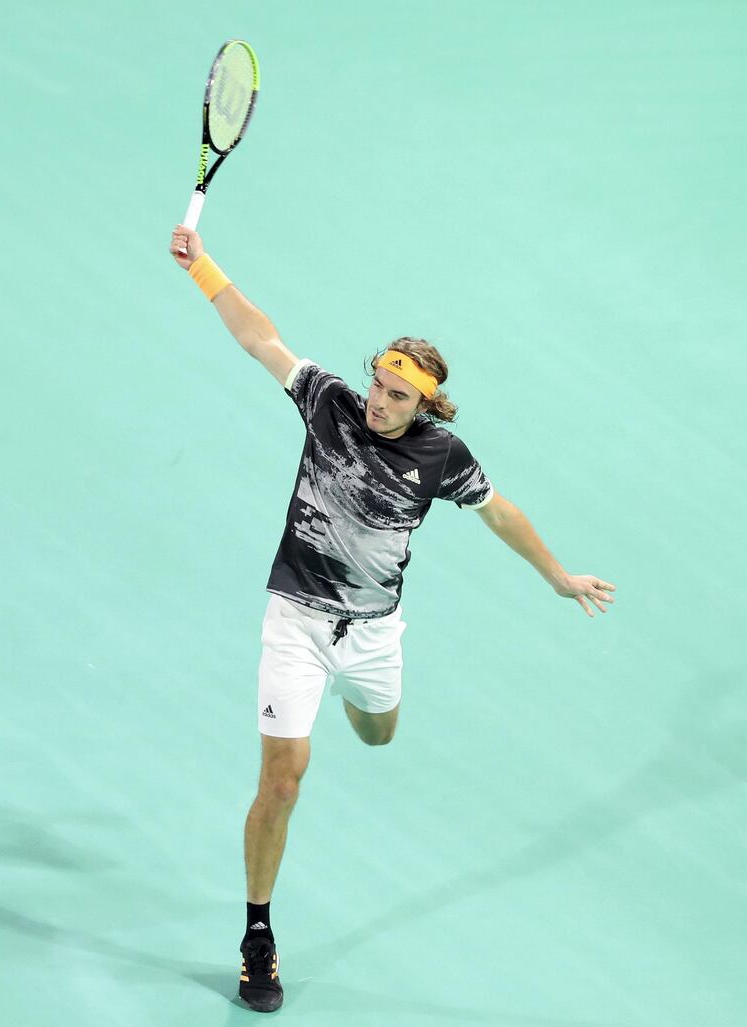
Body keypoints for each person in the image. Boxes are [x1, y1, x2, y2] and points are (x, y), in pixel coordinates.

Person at [169, 224, 616, 1013]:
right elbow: (259, 338)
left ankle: (349, 694)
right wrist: (203, 265)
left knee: (378, 735)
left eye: (397, 393)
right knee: (284, 777)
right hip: (297, 615)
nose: (378, 399)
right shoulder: (328, 402)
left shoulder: (441, 456)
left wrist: (556, 576)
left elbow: (499, 511)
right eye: (378, 381)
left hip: (372, 632)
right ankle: (258, 935)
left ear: (426, 404)